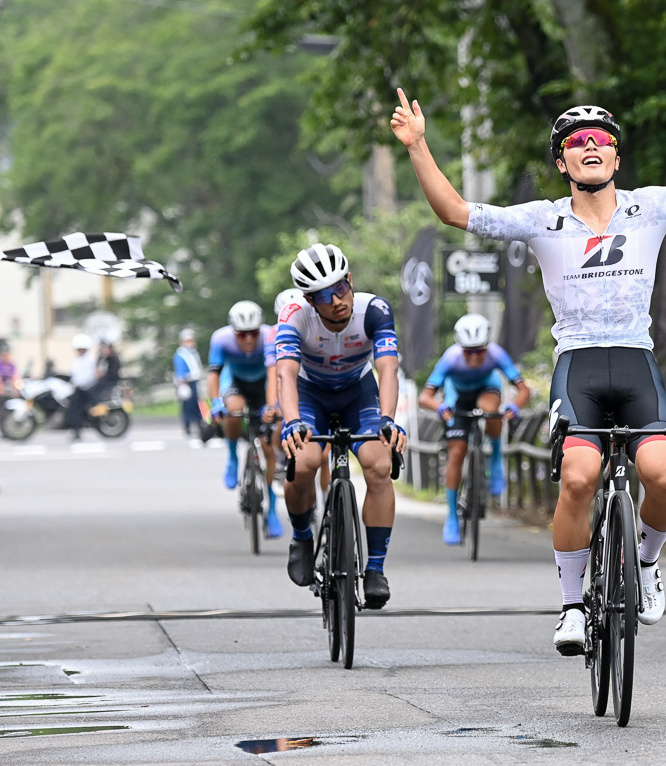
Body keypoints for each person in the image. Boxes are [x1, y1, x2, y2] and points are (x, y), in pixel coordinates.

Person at [391, 72, 666, 654]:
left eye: (600, 138)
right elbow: (455, 212)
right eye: (576, 141)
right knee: (580, 478)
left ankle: (646, 560)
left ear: (615, 153)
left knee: (664, 476)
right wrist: (417, 146)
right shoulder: (542, 218)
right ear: (562, 162)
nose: (590, 145)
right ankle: (570, 605)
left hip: (635, 362)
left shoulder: (651, 208)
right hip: (578, 366)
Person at [276, 243, 408, 608]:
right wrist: (291, 423)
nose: (336, 300)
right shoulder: (294, 316)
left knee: (380, 465)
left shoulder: (375, 310)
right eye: (323, 295)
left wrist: (388, 420)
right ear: (309, 299)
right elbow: (285, 374)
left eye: (341, 287)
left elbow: (387, 368)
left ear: (350, 280)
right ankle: (302, 535)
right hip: (310, 395)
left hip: (358, 394)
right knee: (302, 464)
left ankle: (376, 568)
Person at [419, 313, 531, 545]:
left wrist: (515, 406)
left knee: (489, 408)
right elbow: (425, 397)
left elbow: (523, 390)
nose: (474, 357)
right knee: (456, 452)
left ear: (487, 347)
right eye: (468, 351)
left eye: (479, 351)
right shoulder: (450, 358)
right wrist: (439, 407)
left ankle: (495, 459)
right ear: (460, 348)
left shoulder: (497, 354)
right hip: (457, 397)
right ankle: (451, 516)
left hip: (486, 390)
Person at [207, 300, 282, 539]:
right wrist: (216, 402)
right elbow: (214, 376)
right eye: (242, 334)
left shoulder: (270, 336)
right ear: (233, 331)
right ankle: (231, 457)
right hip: (237, 383)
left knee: (269, 447)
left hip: (264, 386)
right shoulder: (221, 339)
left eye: (253, 333)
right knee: (233, 409)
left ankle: (272, 511)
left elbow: (277, 374)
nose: (248, 339)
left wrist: (274, 406)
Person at [173, 328, 205, 436]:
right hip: (186, 382)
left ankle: (199, 425)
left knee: (196, 404)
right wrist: (182, 385)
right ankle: (188, 425)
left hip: (194, 381)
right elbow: (180, 370)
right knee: (188, 406)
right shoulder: (180, 354)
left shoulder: (192, 352)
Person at [66, 333, 97, 440]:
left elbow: (87, 376)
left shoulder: (89, 359)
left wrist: (76, 384)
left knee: (74, 409)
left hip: (86, 389)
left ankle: (77, 431)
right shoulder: (81, 359)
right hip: (80, 388)